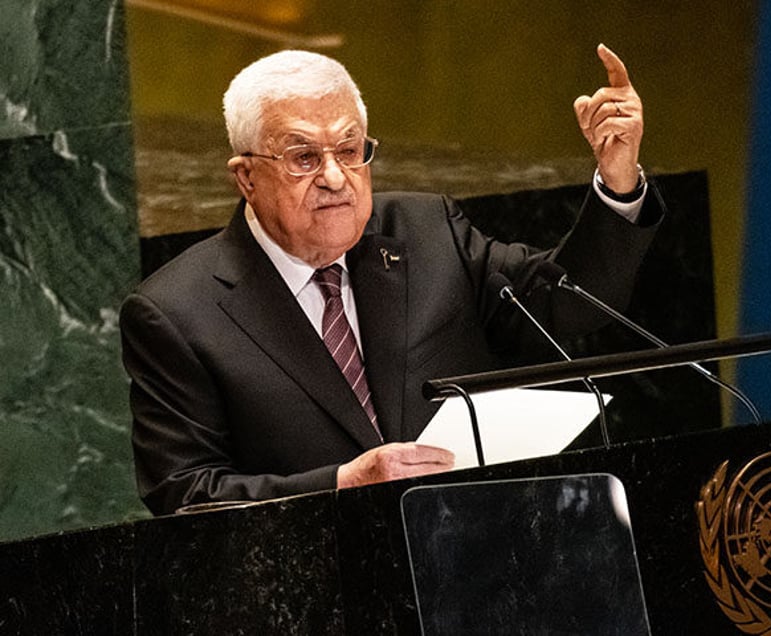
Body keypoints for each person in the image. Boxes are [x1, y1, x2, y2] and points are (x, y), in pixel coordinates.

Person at [120, 44, 664, 515]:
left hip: (478, 555)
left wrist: (617, 180)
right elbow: (186, 494)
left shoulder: (427, 233)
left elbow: (568, 305)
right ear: (246, 177)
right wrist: (341, 485)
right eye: (303, 157)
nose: (335, 178)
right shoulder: (177, 312)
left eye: (350, 150)